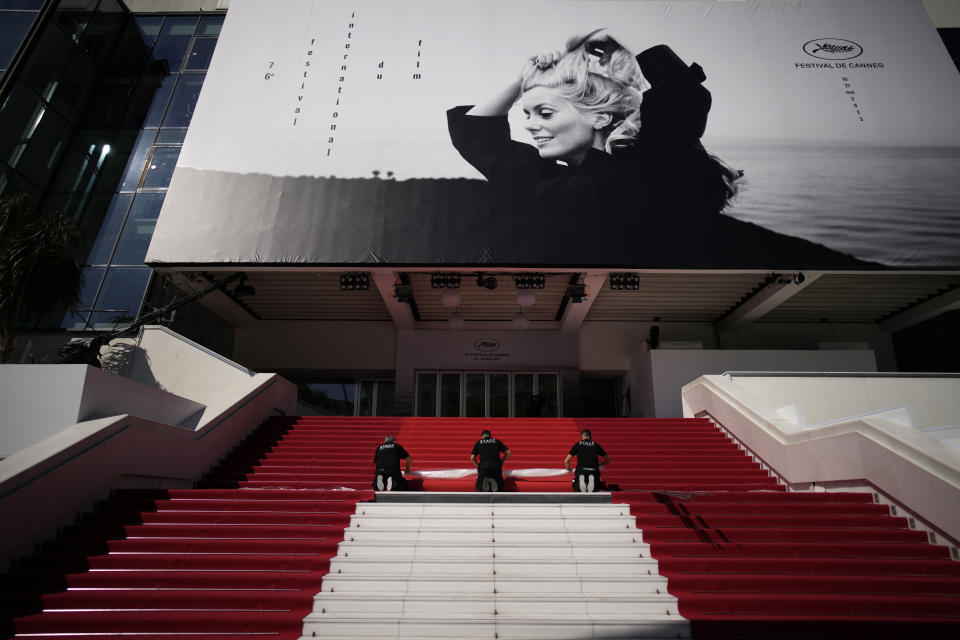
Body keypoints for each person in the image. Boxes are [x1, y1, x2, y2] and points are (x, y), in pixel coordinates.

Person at [565, 429, 610, 493]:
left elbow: (566, 461)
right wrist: (600, 464)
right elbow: (608, 460)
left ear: (582, 436)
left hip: (581, 470)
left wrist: (568, 469)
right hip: (594, 470)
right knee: (596, 487)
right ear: (590, 436)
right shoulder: (596, 445)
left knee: (576, 486)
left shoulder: (577, 445)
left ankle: (581, 482)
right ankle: (592, 482)